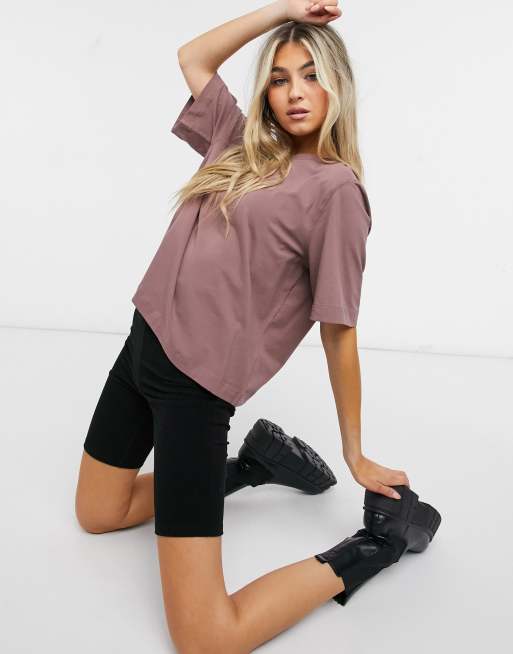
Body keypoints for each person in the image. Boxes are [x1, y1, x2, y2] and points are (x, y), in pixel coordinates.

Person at [75, 2, 442, 652]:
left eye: (311, 75)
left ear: (337, 86)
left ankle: (376, 543)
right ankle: (254, 465)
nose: (295, 91)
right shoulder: (240, 141)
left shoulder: (337, 193)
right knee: (98, 514)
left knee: (205, 638)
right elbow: (192, 57)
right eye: (279, 77)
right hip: (141, 347)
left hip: (194, 391)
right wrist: (282, 11)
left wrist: (355, 452)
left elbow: (338, 329)